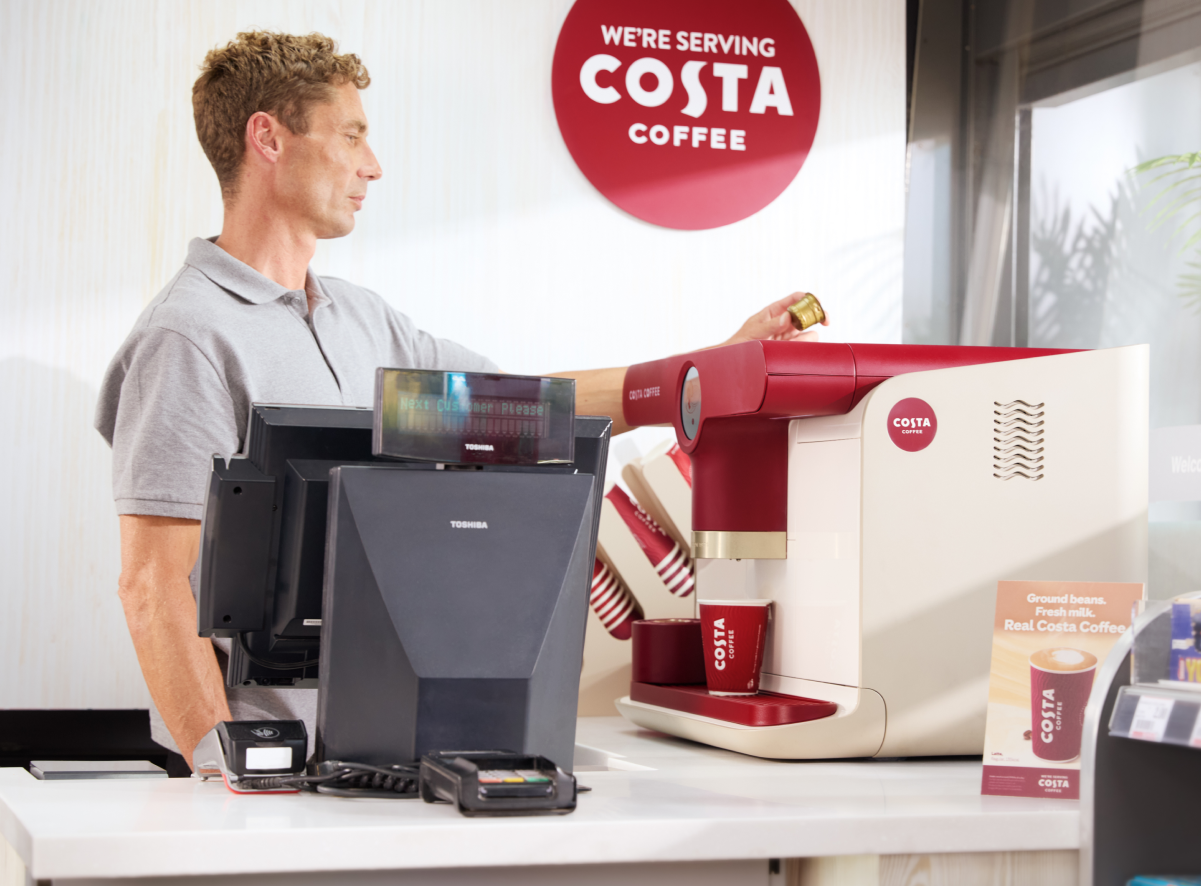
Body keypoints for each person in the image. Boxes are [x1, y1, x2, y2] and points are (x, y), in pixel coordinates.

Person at [94, 31, 820, 767]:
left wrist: (701, 376)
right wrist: (226, 773)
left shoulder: (361, 320)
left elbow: (528, 411)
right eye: (351, 135)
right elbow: (151, 585)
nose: (371, 166)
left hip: (387, 757)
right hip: (270, 776)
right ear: (268, 139)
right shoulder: (188, 338)